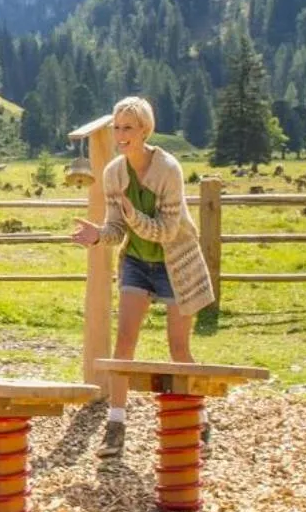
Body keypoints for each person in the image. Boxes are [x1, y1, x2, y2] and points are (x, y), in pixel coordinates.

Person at [69, 94, 214, 461]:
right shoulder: (114, 172)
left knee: (178, 349)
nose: (120, 134)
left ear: (144, 130)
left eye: (128, 128)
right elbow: (119, 228)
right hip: (136, 261)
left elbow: (166, 231)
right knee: (125, 344)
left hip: (175, 262)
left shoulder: (168, 169)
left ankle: (198, 415)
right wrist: (100, 234)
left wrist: (131, 216)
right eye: (117, 127)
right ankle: (115, 427)